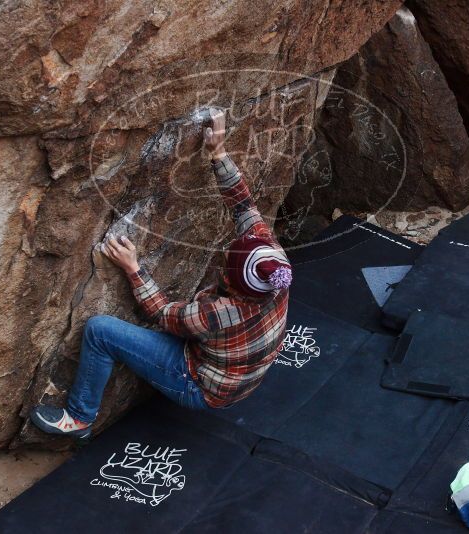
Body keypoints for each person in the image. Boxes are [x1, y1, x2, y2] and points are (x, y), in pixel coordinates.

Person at [30, 109, 293, 439]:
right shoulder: (274, 266)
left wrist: (133, 268)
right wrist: (219, 152)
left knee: (100, 332)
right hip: (241, 376)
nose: (228, 252)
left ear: (234, 283)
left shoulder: (221, 313)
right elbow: (244, 206)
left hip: (201, 387)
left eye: (228, 259)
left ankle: (80, 418)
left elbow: (164, 314)